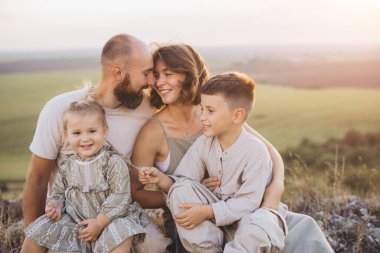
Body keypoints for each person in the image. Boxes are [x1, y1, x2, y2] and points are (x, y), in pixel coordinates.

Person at [131, 44, 334, 253]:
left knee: (299, 229)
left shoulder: (217, 113)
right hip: (195, 220)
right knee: (187, 194)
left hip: (241, 208)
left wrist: (276, 188)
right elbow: (140, 191)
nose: (159, 82)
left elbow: (269, 153)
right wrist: (195, 192)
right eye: (156, 75)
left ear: (188, 74)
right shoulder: (155, 131)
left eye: (168, 73)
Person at [23, 34, 171, 253]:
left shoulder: (149, 109)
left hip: (119, 211)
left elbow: (188, 115)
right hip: (72, 214)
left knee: (157, 247)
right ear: (119, 73)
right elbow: (37, 178)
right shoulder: (60, 109)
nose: (150, 82)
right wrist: (38, 233)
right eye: (145, 73)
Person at [138, 72, 287, 252]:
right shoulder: (205, 143)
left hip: (248, 219)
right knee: (180, 190)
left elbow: (250, 202)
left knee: (260, 223)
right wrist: (161, 180)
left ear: (237, 116)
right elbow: (185, 179)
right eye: (201, 108)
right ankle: (208, 249)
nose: (202, 116)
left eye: (210, 111)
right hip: (213, 226)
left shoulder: (256, 151)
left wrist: (209, 211)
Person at [21, 100, 148, 253]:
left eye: (92, 131)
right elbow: (58, 191)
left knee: (121, 236)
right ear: (67, 135)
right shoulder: (68, 164)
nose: (85, 138)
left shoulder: (113, 161)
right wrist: (55, 204)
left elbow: (120, 196)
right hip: (78, 219)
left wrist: (100, 222)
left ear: (105, 131)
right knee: (37, 232)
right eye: (77, 133)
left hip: (111, 218)